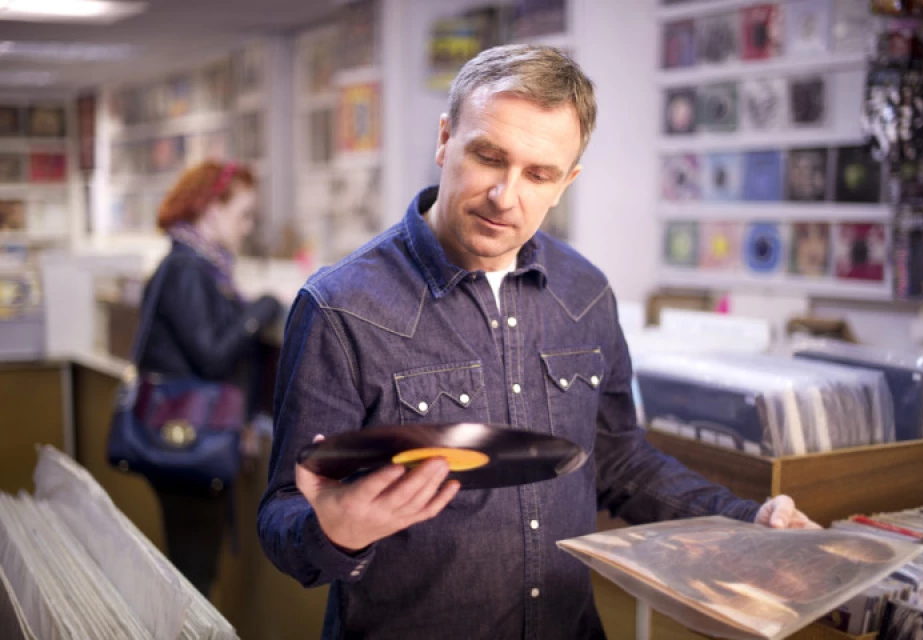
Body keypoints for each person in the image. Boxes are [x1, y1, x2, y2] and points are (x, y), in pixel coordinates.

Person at [258, 45, 815, 639]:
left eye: (538, 174)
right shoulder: (340, 306)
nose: (505, 195)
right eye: (488, 157)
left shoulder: (586, 293)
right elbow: (283, 514)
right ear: (445, 140)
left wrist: (748, 518)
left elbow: (619, 461)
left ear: (565, 182)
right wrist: (333, 531)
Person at [140, 160, 281, 596]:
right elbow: (213, 354)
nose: (247, 227)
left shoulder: (201, 267)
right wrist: (262, 308)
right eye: (244, 215)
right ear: (211, 209)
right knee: (194, 574)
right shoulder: (187, 269)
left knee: (194, 567)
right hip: (187, 439)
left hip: (188, 435)